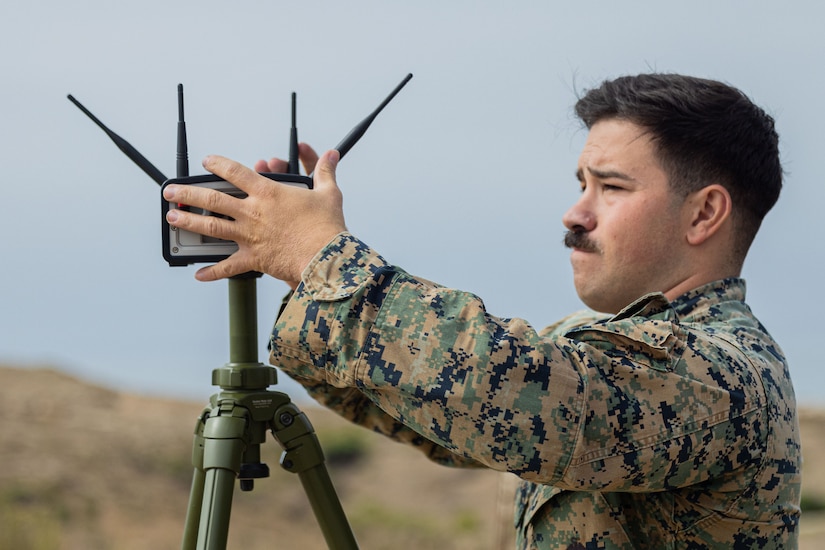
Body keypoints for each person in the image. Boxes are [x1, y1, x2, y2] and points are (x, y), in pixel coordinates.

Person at [162, 73, 801, 548]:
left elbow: (509, 389)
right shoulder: (596, 343)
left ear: (704, 213)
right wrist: (297, 265)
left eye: (611, 187)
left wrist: (323, 260)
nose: (575, 213)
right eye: (581, 184)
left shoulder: (725, 375)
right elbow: (433, 410)